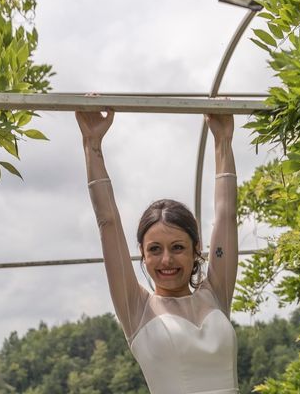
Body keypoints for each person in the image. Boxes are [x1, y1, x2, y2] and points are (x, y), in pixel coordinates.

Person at [76, 109, 239, 394]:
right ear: (142, 253)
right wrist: (92, 145)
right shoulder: (137, 308)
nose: (166, 260)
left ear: (196, 249)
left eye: (177, 247)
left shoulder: (216, 293)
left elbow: (226, 215)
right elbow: (108, 221)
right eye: (155, 249)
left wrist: (223, 140)